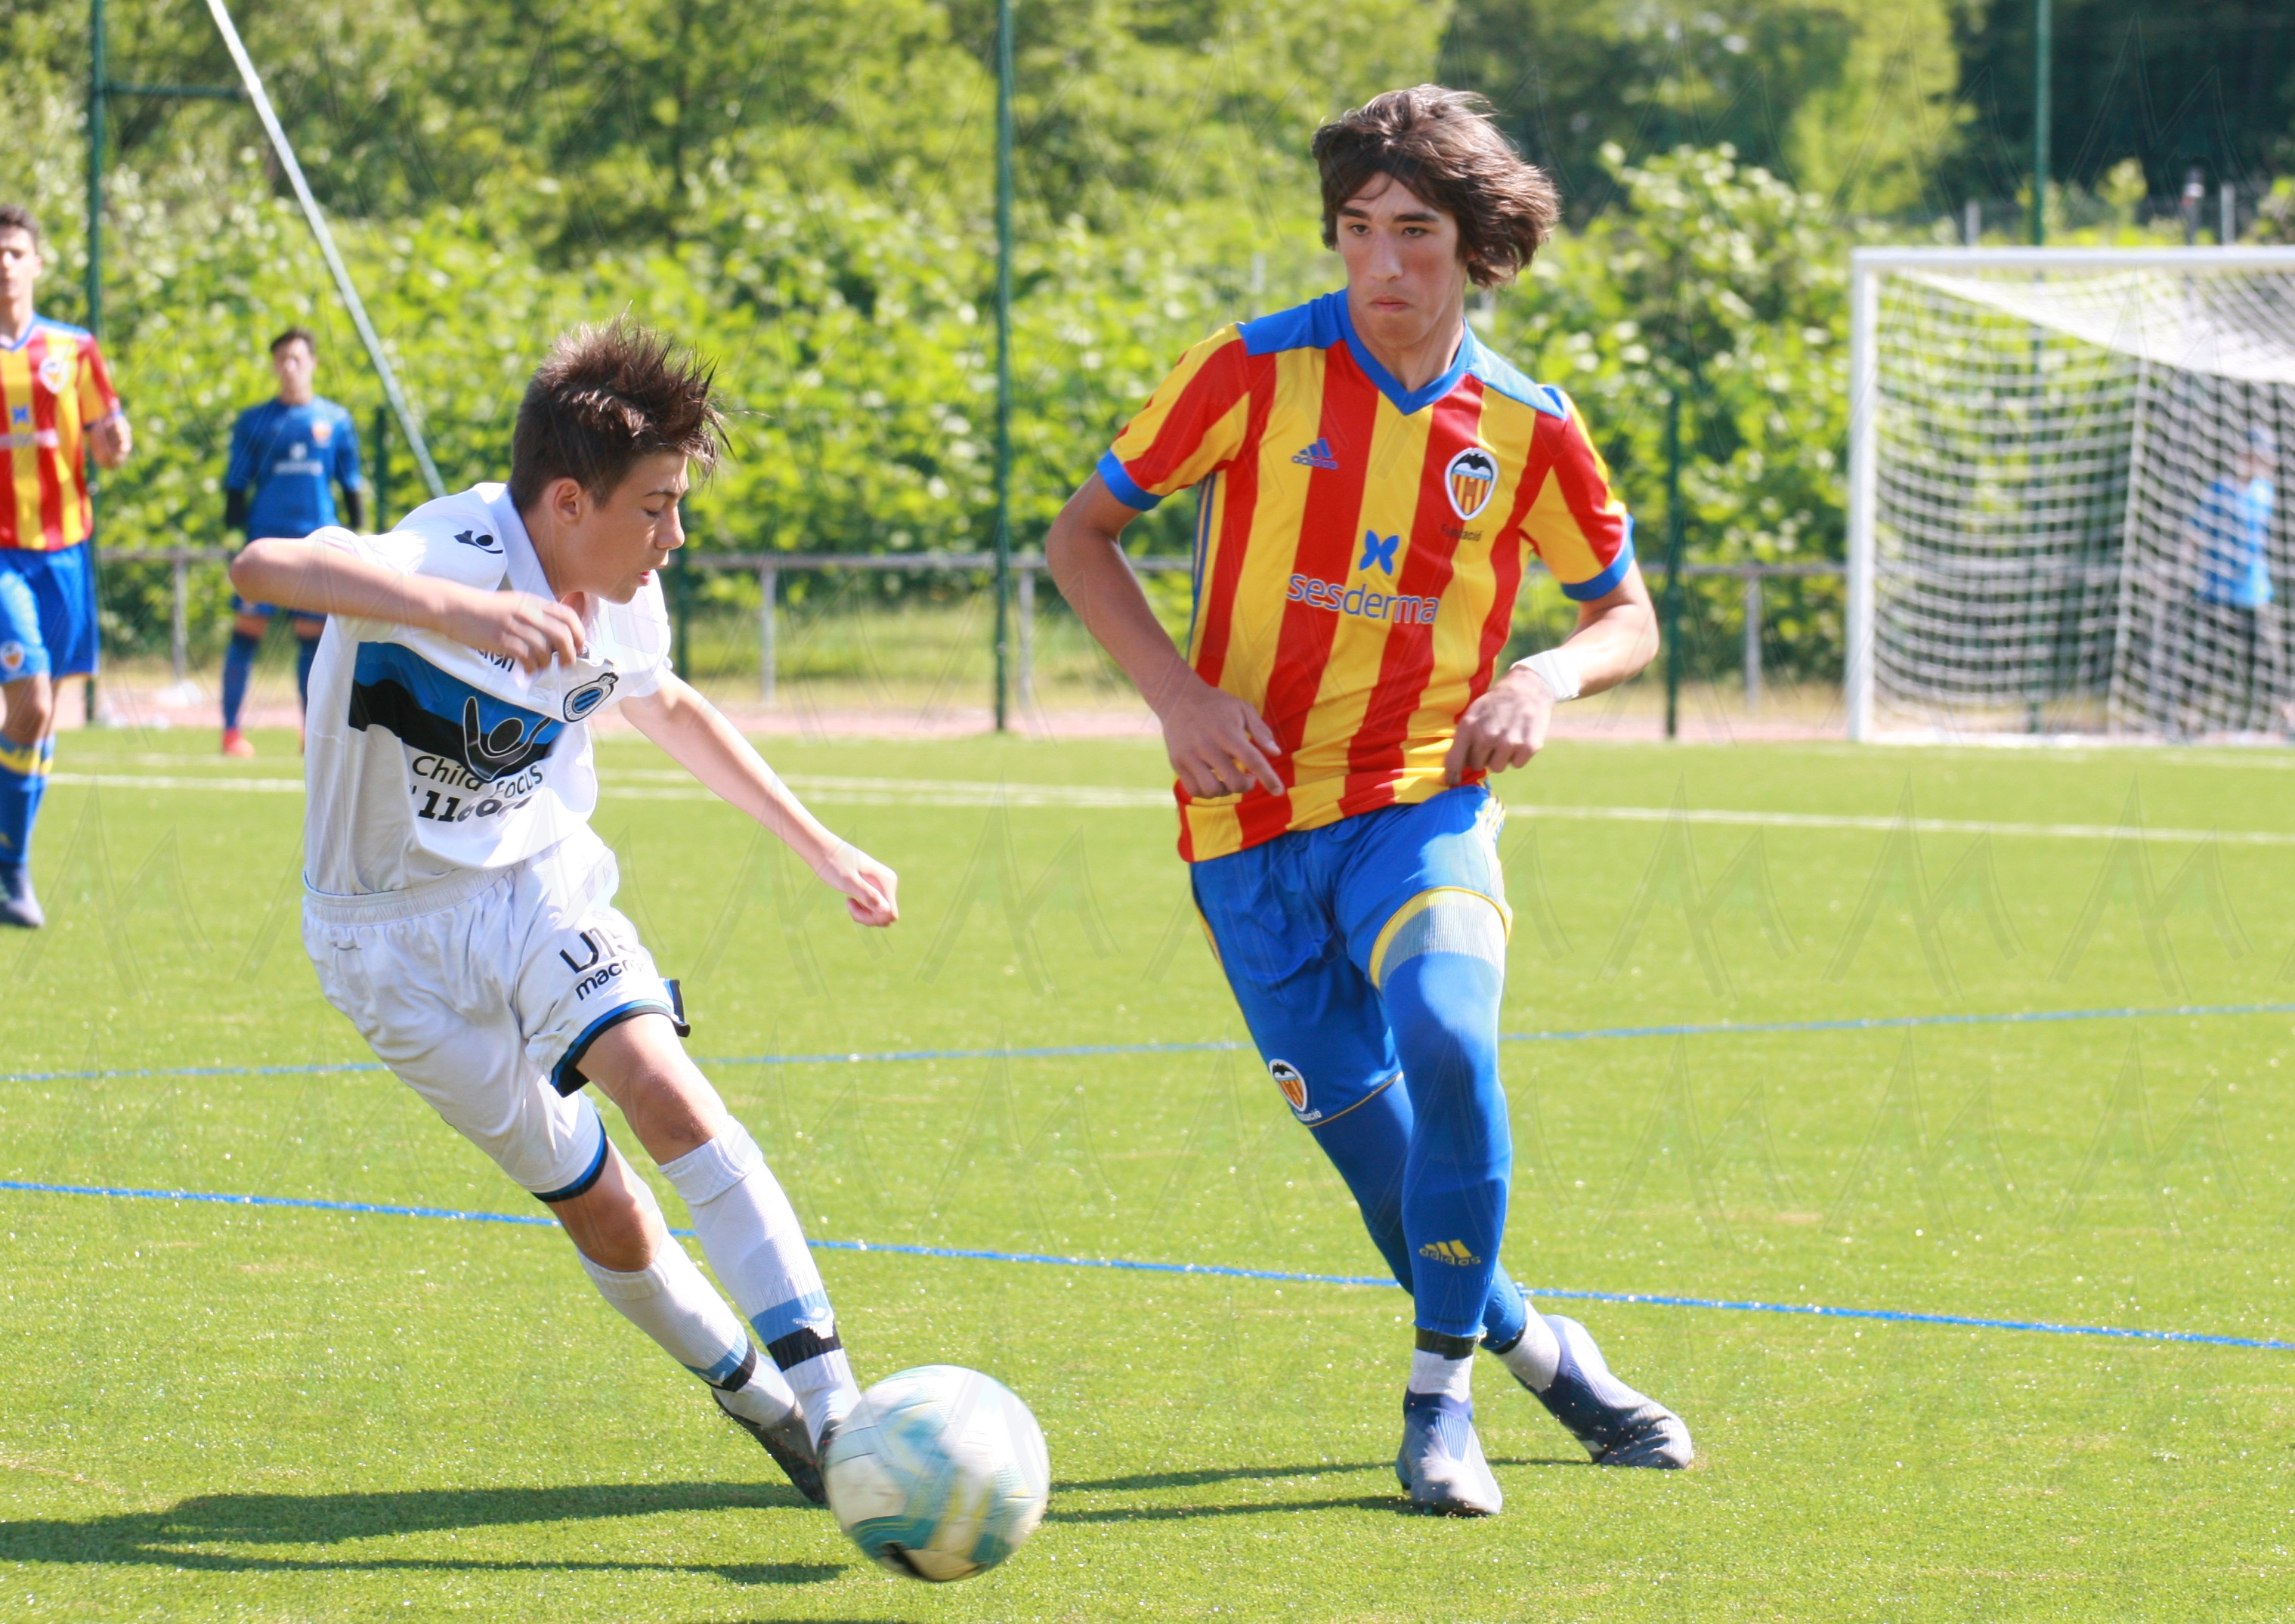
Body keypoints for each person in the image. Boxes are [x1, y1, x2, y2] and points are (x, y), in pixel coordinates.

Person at [1046, 86, 1690, 1516]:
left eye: (1414, 233)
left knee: (1451, 1041)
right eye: (1356, 230)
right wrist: (1178, 698)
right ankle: (1547, 1356)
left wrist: (1544, 679)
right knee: (1390, 1180)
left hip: (1418, 802)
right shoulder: (1246, 371)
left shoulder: (1527, 426)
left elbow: (1626, 614)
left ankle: (1436, 1405)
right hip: (1246, 833)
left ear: (1477, 249)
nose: (1380, 263)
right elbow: (1080, 535)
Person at [229, 319, 898, 1496]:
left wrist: (819, 842)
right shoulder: (448, 548)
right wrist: (454, 613)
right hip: (381, 945)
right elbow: (261, 568)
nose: (674, 537)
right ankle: (757, 1396)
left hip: (535, 885)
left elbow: (665, 704)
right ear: (568, 501)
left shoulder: (627, 596)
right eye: (656, 507)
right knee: (601, 1205)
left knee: (666, 1091)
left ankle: (844, 1417)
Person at [0, 203, 133, 930]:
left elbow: (106, 443)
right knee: (33, 703)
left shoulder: (73, 348)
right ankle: (15, 870)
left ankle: (11, 860)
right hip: (2, 557)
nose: (5, 263)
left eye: (16, 252)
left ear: (38, 264)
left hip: (64, 553)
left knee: (43, 712)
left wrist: (116, 444)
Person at [220, 326, 366, 756]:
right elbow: (236, 483)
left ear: (313, 364)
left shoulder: (335, 420)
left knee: (313, 638)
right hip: (266, 544)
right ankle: (231, 732)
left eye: (297, 359)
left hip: (316, 545)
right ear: (273, 365)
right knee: (247, 632)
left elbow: (351, 483)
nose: (289, 367)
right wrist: (234, 535)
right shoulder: (255, 421)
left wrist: (358, 535)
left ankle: (310, 732)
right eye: (282, 359)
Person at [2182, 424, 2280, 732]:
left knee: (2270, 659)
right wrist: (2186, 569)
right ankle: (2188, 723)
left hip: (2254, 590)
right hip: (2217, 590)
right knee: (2205, 660)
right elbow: (2193, 533)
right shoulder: (2220, 491)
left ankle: (2288, 720)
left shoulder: (2265, 493)